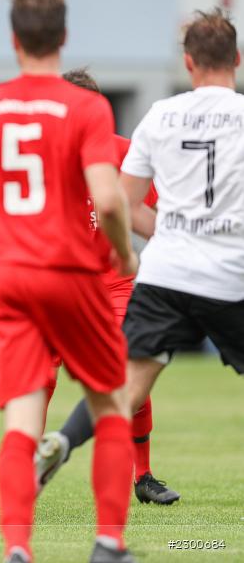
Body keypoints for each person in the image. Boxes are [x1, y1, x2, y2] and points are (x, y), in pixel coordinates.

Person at [0, 0, 137, 563]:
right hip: (71, 274)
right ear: (63, 37)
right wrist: (124, 252)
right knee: (109, 406)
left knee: (22, 418)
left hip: (8, 281)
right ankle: (108, 544)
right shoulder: (87, 106)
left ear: (13, 38)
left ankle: (18, 549)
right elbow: (110, 200)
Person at [37, 9, 244, 507]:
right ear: (236, 59)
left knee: (131, 374)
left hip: (138, 276)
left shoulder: (155, 121)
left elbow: (124, 207)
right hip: (215, 270)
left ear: (188, 62)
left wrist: (159, 240)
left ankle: (97, 455)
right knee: (63, 374)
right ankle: (36, 459)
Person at [35, 68, 180, 506]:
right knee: (40, 376)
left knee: (126, 367)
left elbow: (158, 216)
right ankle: (33, 466)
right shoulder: (34, 159)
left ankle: (144, 475)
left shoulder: (124, 153)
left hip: (114, 287)